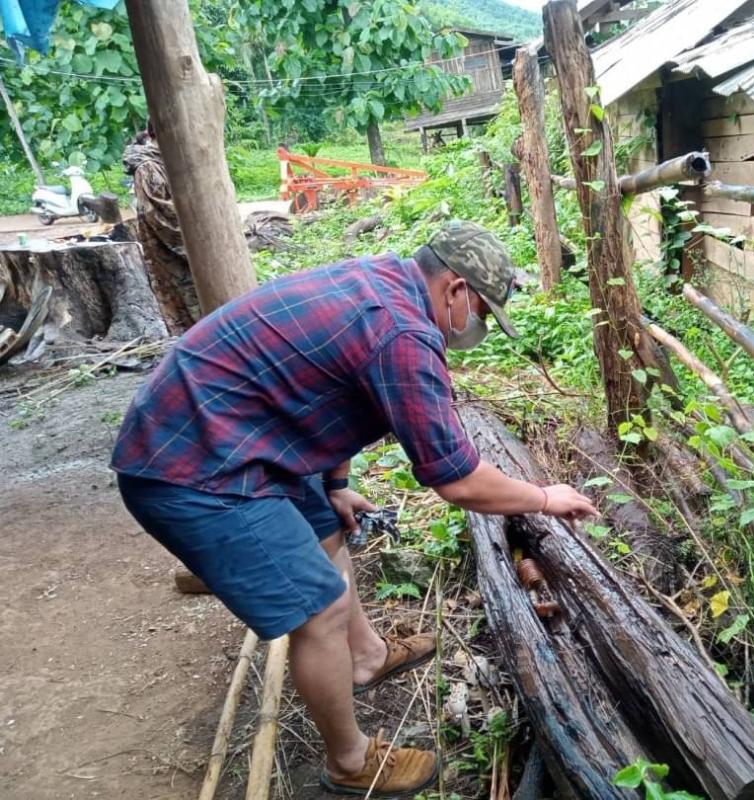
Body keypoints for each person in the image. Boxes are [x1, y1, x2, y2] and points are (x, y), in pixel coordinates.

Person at [110, 221, 597, 796]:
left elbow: (327, 387)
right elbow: (458, 480)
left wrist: (335, 481)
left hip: (231, 433)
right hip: (194, 467)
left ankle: (365, 657)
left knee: (327, 523)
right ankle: (349, 761)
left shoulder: (384, 281)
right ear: (456, 289)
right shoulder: (403, 334)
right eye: (484, 313)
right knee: (318, 613)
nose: (479, 328)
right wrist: (544, 497)